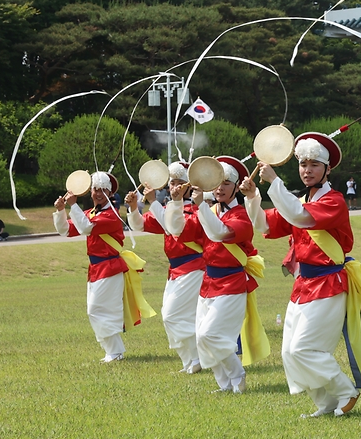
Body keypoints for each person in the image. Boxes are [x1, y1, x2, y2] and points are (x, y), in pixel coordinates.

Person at [242, 133, 361, 417]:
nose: (307, 170)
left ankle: (345, 391)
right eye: (303, 164)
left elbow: (301, 217)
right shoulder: (301, 200)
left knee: (305, 349)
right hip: (303, 285)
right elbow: (264, 225)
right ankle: (325, 402)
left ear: (327, 169)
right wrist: (253, 196)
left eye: (314, 164)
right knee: (289, 353)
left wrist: (275, 183)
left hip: (329, 283)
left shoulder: (335, 201)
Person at [166, 156, 269, 394]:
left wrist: (201, 206)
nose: (220, 188)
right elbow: (177, 229)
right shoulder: (210, 211)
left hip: (232, 283)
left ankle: (237, 374)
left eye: (226, 183)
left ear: (235, 187)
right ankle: (225, 384)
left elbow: (219, 233)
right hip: (208, 282)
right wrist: (175, 201)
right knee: (203, 338)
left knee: (210, 334)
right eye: (217, 183)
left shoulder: (241, 216)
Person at [53, 172, 154, 362]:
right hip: (96, 269)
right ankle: (113, 351)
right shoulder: (90, 214)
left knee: (98, 310)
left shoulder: (111, 215)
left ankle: (115, 352)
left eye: (103, 190)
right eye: (95, 189)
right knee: (98, 310)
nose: (98, 193)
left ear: (110, 192)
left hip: (110, 267)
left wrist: (72, 204)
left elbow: (85, 228)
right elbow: (66, 230)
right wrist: (60, 211)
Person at [125, 162, 204, 374]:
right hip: (176, 271)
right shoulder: (171, 208)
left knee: (172, 316)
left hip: (194, 267)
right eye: (172, 183)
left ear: (189, 186)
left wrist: (154, 202)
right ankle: (191, 360)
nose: (175, 187)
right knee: (173, 316)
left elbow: (173, 226)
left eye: (180, 183)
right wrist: (133, 208)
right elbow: (140, 225)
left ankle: (198, 357)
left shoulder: (195, 210)